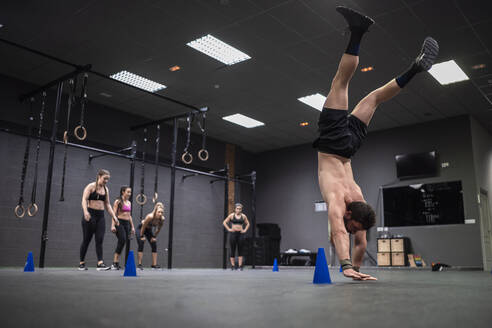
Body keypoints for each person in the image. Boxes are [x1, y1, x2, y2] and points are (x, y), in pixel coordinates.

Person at [314, 6, 438, 280]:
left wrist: (358, 270)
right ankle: (358, 31)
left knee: (374, 99)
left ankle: (415, 69)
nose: (349, 228)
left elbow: (360, 242)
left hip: (351, 147)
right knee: (341, 82)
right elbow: (337, 230)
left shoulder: (361, 202)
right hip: (334, 145)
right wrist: (347, 267)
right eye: (352, 224)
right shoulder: (339, 199)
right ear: (349, 213)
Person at [79, 169, 119, 271]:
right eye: (104, 178)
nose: (106, 181)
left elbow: (107, 204)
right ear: (99, 176)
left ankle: (100, 263)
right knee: (86, 240)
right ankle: (81, 263)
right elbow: (84, 199)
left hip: (100, 216)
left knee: (99, 239)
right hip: (90, 215)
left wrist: (114, 216)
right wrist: (85, 212)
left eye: (107, 179)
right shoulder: (91, 186)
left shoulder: (106, 189)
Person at [110, 186, 136, 270]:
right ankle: (114, 263)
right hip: (119, 222)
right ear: (123, 192)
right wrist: (113, 225)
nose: (129, 194)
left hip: (127, 224)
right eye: (128, 192)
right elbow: (114, 214)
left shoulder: (129, 202)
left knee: (123, 241)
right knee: (122, 239)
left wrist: (132, 227)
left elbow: (129, 215)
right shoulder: (118, 201)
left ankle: (116, 262)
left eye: (130, 192)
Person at [137, 202, 165, 270]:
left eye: (161, 212)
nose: (160, 214)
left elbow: (158, 229)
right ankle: (139, 265)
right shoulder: (150, 216)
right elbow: (143, 227)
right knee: (141, 243)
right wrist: (141, 236)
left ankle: (154, 265)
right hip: (141, 228)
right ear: (155, 211)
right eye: (159, 212)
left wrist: (154, 237)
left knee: (154, 244)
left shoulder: (162, 219)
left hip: (148, 230)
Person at [222, 203, 250, 271]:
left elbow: (248, 223)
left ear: (241, 210)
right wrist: (229, 229)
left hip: (240, 234)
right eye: (237, 208)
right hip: (233, 234)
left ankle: (240, 266)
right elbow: (224, 222)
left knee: (240, 250)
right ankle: (233, 265)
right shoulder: (232, 215)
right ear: (235, 209)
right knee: (232, 250)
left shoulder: (243, 216)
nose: (238, 210)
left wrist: (245, 230)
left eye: (240, 209)